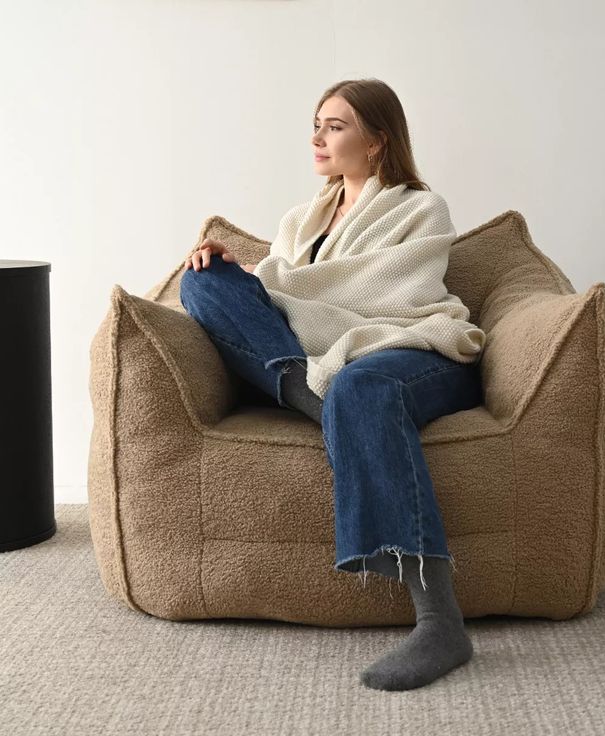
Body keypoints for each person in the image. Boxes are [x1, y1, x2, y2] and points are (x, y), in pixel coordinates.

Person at [179, 78, 486, 692]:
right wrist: (238, 273)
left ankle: (440, 622)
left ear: (377, 141)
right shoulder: (302, 220)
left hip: (410, 346)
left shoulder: (420, 208)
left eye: (336, 125)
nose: (318, 137)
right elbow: (279, 293)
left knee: (362, 388)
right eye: (316, 123)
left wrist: (273, 293)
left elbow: (390, 293)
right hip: (323, 359)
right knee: (203, 280)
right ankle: (310, 394)